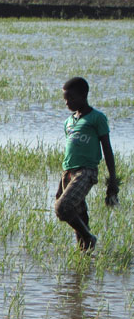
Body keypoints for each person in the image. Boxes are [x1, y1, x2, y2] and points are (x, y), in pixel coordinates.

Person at [54, 76, 119, 250]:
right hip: (68, 172)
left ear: (84, 95)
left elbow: (107, 147)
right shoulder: (68, 122)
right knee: (79, 213)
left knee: (63, 208)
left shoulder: (97, 118)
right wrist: (60, 184)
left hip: (86, 171)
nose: (67, 103)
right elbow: (70, 153)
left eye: (71, 98)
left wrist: (112, 178)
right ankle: (85, 255)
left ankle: (89, 238)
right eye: (65, 99)